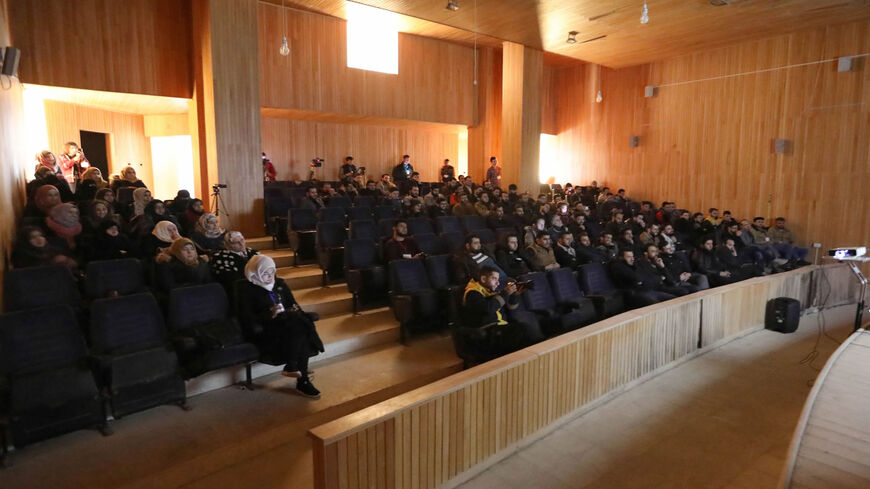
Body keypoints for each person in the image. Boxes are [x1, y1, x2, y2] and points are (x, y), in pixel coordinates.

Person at [238, 255, 324, 398]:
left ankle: (293, 367)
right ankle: (301, 380)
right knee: (301, 327)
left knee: (298, 323)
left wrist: (294, 310)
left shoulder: (280, 284)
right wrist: (269, 313)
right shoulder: (248, 290)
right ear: (255, 272)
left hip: (288, 324)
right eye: (265, 272)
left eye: (272, 272)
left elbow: (293, 304)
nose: (269, 276)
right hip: (266, 329)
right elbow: (247, 318)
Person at [461, 267, 542, 359]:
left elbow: (511, 307)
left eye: (498, 279)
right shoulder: (472, 293)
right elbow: (488, 309)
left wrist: (515, 295)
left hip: (501, 328)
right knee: (524, 331)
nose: (498, 283)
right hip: (488, 333)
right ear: (483, 279)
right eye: (494, 279)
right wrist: (505, 293)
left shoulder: (491, 291)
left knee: (528, 328)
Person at [609, 249, 677, 306]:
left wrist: (643, 280)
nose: (632, 259)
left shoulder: (636, 264)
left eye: (632, 256)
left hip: (649, 290)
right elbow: (636, 278)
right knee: (656, 304)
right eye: (629, 257)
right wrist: (641, 280)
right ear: (621, 258)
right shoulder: (617, 266)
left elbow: (647, 278)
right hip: (635, 294)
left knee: (673, 299)